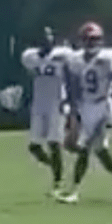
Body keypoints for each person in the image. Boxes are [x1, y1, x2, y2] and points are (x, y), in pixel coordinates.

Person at [60, 22, 112, 204]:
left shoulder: (110, 57)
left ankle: (73, 191)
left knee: (86, 146)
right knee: (100, 151)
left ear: (101, 40)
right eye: (87, 39)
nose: (91, 43)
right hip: (85, 106)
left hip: (103, 104)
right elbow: (72, 88)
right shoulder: (74, 60)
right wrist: (73, 113)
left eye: (94, 39)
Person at [21, 27, 72, 196]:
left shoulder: (63, 55)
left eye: (49, 37)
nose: (46, 41)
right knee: (34, 146)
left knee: (54, 143)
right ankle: (55, 168)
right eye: (43, 38)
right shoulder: (31, 56)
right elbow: (30, 69)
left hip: (56, 103)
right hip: (39, 104)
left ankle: (58, 182)